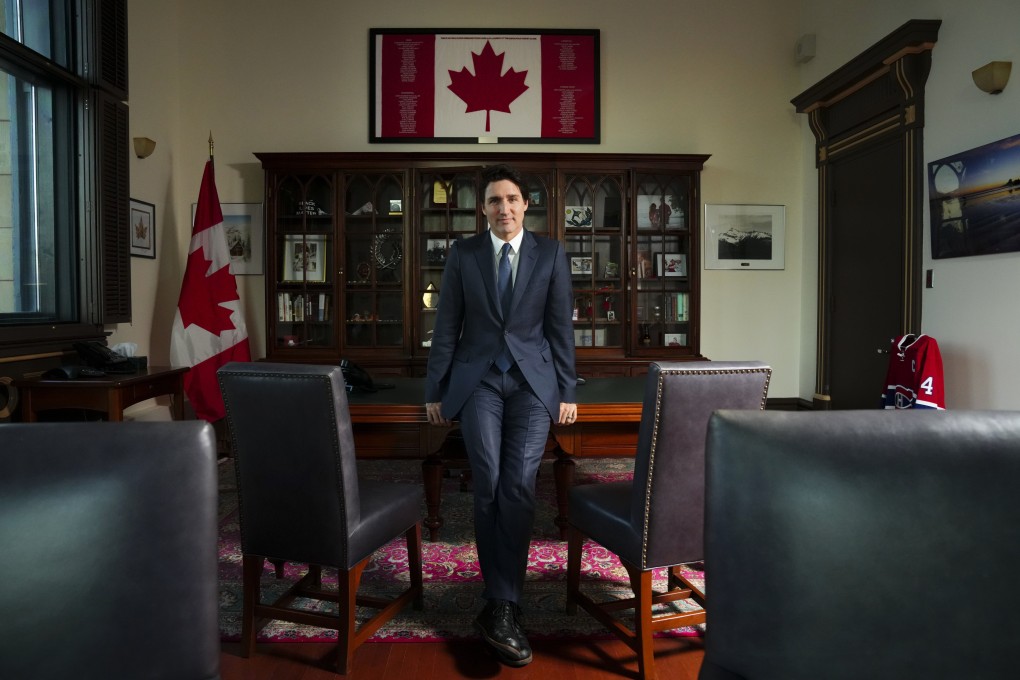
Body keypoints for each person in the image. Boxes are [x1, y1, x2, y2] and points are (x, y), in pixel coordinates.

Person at [425, 163, 577, 667]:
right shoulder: (463, 254)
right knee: (488, 478)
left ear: (525, 204)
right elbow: (446, 324)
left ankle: (501, 601)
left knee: (518, 484)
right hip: (480, 381)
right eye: (494, 201)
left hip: (533, 385)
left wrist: (567, 390)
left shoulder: (551, 253)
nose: (503, 208)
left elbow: (559, 329)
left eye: (511, 199)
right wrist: (436, 388)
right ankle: (503, 600)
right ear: (483, 208)